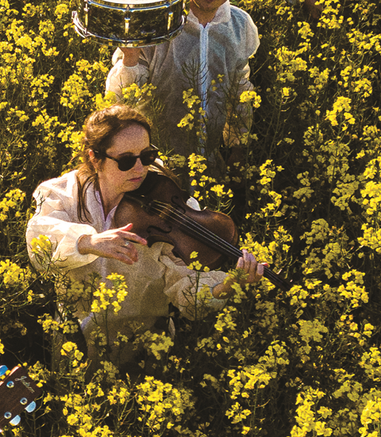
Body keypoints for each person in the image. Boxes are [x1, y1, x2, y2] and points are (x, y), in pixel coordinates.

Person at [26, 104, 262, 363]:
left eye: (147, 156)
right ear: (95, 158)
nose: (140, 169)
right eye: (127, 160)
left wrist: (229, 285)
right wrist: (86, 242)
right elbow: (39, 242)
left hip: (145, 348)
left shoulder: (169, 206)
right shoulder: (63, 193)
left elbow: (185, 287)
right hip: (75, 342)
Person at [105, 0, 262, 174]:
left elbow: (240, 92)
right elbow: (118, 101)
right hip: (153, 166)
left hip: (210, 167)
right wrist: (131, 57)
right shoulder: (154, 21)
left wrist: (237, 148)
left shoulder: (240, 26)